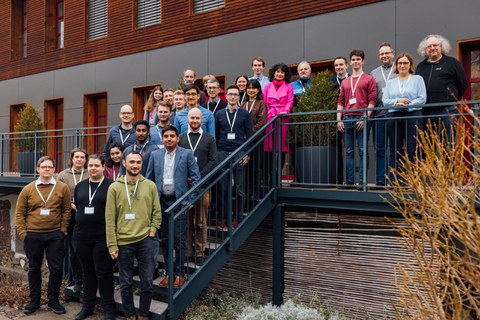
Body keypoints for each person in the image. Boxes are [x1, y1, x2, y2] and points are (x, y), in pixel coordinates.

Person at [105, 151, 161, 320]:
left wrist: (152, 230)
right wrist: (112, 244)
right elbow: (109, 218)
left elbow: (156, 212)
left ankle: (143, 314)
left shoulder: (150, 185)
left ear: (141, 164)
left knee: (147, 282)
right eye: (131, 162)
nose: (135, 165)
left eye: (138, 162)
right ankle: (130, 314)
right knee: (125, 282)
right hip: (123, 241)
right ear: (124, 163)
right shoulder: (114, 187)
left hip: (145, 240)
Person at [15, 156, 72, 315]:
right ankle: (34, 300)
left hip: (55, 235)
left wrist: (62, 230)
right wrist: (23, 234)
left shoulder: (62, 188)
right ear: (38, 169)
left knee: (55, 268)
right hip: (33, 235)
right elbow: (19, 213)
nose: (47, 170)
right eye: (44, 167)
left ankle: (53, 301)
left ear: (54, 169)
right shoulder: (28, 189)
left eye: (50, 167)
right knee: (34, 268)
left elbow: (67, 210)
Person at [146, 126, 201, 288]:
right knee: (165, 240)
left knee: (179, 241)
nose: (169, 139)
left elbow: (196, 179)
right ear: (162, 139)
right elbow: (149, 180)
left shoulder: (186, 154)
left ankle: (179, 274)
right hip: (160, 203)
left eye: (172, 136)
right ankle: (169, 273)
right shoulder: (155, 155)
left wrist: (189, 202)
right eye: (166, 136)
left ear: (177, 138)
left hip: (179, 204)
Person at [72, 155, 115, 320]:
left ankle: (108, 309)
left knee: (104, 273)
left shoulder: (111, 186)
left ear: (103, 167)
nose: (93, 168)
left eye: (97, 165)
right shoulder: (80, 186)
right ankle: (87, 306)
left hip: (102, 237)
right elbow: (78, 206)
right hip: (82, 237)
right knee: (87, 272)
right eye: (91, 165)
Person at [178, 109, 217, 266]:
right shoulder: (181, 138)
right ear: (187, 119)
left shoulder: (209, 138)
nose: (194, 120)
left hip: (202, 186)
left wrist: (198, 177)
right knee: (186, 220)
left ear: (202, 119)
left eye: (197, 118)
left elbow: (214, 160)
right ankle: (188, 251)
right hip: (185, 187)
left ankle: (200, 252)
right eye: (192, 117)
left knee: (201, 220)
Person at [337, 50, 377, 187]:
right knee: (348, 152)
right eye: (353, 59)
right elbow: (340, 101)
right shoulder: (345, 82)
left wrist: (365, 117)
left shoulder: (369, 78)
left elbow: (373, 100)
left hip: (362, 118)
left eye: (358, 59)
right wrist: (339, 119)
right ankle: (349, 181)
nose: (355, 62)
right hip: (347, 118)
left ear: (363, 61)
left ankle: (362, 182)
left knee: (362, 151)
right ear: (350, 62)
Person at [215, 85, 253, 228]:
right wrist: (217, 153)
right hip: (222, 152)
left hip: (239, 151)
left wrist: (247, 153)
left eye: (235, 95)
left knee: (239, 187)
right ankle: (224, 217)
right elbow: (216, 135)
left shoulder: (244, 114)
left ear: (239, 97)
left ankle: (237, 217)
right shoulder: (219, 114)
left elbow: (249, 135)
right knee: (223, 187)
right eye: (230, 94)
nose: (232, 97)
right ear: (226, 96)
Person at [383, 52, 426, 174]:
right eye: (400, 63)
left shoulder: (418, 79)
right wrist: (397, 101)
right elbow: (385, 101)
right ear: (396, 65)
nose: (402, 65)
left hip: (412, 115)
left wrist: (408, 104)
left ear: (410, 65)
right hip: (394, 116)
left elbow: (422, 98)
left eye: (405, 63)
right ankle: (399, 181)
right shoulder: (390, 82)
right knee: (396, 149)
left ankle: (414, 180)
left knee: (413, 149)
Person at [416, 34, 468, 133]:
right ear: (425, 49)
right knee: (429, 144)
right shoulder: (421, 66)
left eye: (435, 45)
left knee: (448, 144)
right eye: (429, 46)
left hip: (447, 111)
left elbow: (462, 84)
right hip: (426, 112)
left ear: (441, 46)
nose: (432, 48)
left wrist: (451, 99)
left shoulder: (452, 63)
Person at [57, 147, 89, 294]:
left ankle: (88, 279)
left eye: (82, 157)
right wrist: (71, 205)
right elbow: (59, 195)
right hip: (71, 216)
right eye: (77, 157)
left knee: (87, 250)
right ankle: (77, 280)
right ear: (72, 159)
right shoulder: (63, 175)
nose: (79, 160)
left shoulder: (90, 172)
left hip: (88, 216)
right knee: (74, 250)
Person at [370, 42, 397, 187]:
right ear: (379, 56)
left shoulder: (399, 69)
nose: (384, 56)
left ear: (392, 54)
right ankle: (380, 179)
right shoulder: (373, 73)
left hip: (394, 114)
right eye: (382, 54)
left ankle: (393, 179)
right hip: (378, 116)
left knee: (394, 148)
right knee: (379, 148)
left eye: (387, 53)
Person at [263, 63, 294, 174]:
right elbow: (264, 103)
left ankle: (278, 174)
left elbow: (290, 101)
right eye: (277, 71)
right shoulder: (267, 87)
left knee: (281, 148)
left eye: (282, 72)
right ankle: (270, 174)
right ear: (274, 73)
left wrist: (285, 111)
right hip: (270, 117)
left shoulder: (289, 86)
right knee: (269, 147)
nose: (279, 74)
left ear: (285, 74)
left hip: (283, 118)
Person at [330, 56, 349, 185]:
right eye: (336, 65)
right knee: (337, 151)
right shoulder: (330, 82)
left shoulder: (352, 79)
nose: (339, 67)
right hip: (335, 120)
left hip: (350, 117)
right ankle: (339, 179)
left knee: (351, 150)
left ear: (346, 66)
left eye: (341, 65)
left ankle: (351, 179)